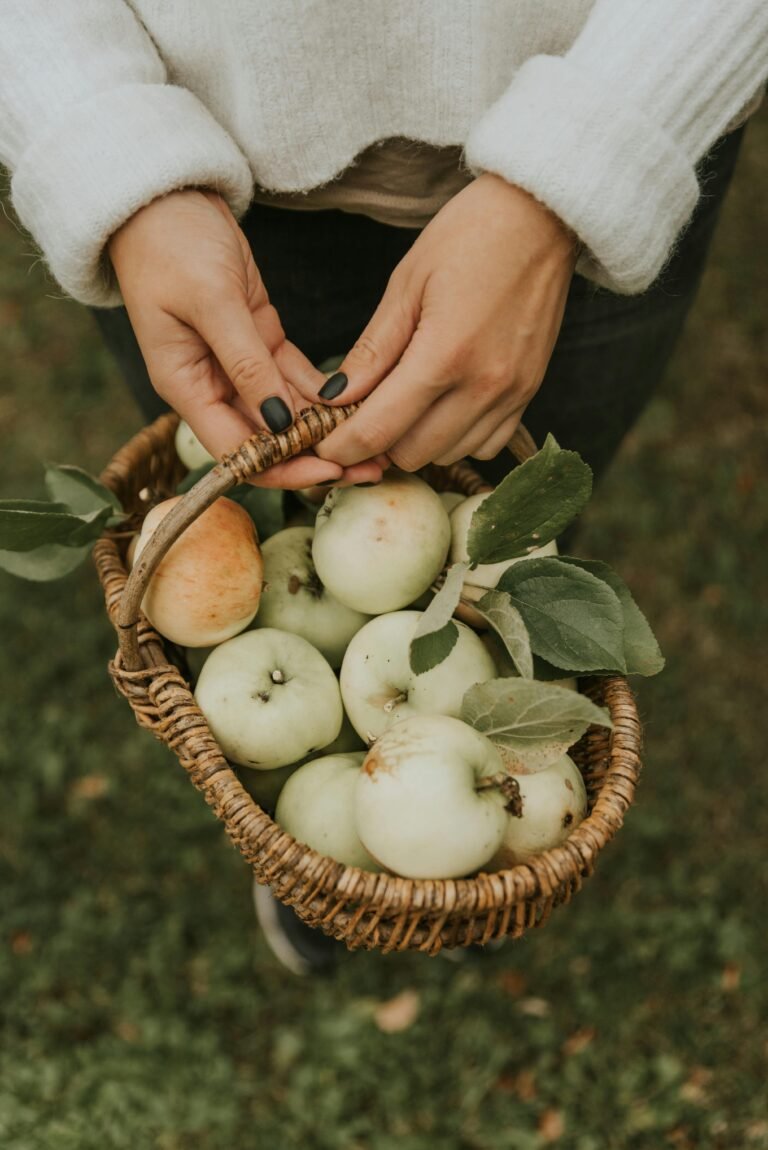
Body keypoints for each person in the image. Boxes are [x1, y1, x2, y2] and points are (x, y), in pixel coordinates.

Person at [1, 2, 766, 973]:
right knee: (262, 484)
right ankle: (347, 863)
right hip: (198, 147)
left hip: (605, 87)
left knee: (512, 520)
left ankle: (445, 867)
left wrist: (596, 154)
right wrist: (101, 134)